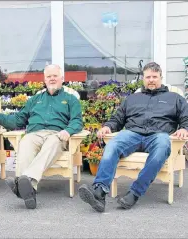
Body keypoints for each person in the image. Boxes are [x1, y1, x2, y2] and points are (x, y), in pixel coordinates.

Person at [79, 62, 188, 212]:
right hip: (132, 134)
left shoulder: (175, 98)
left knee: (162, 147)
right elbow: (118, 118)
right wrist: (108, 126)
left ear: (161, 77)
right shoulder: (132, 98)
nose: (151, 80)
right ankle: (99, 192)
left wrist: (184, 128)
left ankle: (135, 193)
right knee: (112, 145)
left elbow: (185, 117)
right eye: (148, 77)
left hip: (159, 135)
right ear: (143, 78)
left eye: (154, 77)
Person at [0, 64, 83, 209]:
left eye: (55, 76)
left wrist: (68, 131)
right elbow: (16, 121)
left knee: (53, 142)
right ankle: (29, 190)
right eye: (49, 76)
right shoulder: (35, 99)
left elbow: (77, 121)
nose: (52, 79)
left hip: (56, 135)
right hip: (35, 134)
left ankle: (22, 184)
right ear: (44, 79)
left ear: (62, 78)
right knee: (25, 142)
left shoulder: (71, 99)